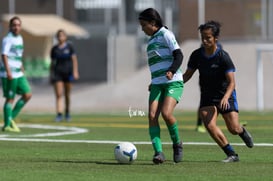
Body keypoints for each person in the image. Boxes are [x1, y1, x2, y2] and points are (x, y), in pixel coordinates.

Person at [183, 21, 254, 162]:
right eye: (202, 37)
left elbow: (232, 82)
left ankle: (241, 131)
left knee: (233, 129)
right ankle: (232, 154)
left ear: (215, 39)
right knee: (209, 125)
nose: (204, 40)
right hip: (208, 95)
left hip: (225, 94)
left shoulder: (223, 56)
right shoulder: (196, 55)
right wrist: (170, 84)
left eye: (208, 38)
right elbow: (187, 75)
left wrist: (226, 97)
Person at [138, 8, 184, 164]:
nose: (142, 28)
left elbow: (179, 55)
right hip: (157, 83)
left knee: (166, 113)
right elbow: (158, 64)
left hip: (173, 81)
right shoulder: (151, 41)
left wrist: (171, 71)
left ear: (153, 23)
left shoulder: (166, 34)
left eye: (143, 25)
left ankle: (177, 144)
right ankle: (158, 153)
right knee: (152, 116)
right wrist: (154, 80)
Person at [0, 16, 32, 132]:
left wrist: (21, 66)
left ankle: (10, 118)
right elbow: (4, 55)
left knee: (27, 94)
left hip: (18, 73)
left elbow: (18, 54)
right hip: (9, 73)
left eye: (18, 25)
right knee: (10, 99)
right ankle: (7, 125)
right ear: (10, 26)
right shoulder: (7, 39)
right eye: (14, 25)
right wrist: (8, 71)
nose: (16, 27)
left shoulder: (20, 38)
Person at [50, 29, 79, 122]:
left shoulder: (70, 47)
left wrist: (75, 72)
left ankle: (67, 113)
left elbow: (74, 60)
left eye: (62, 35)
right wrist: (51, 74)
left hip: (68, 73)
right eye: (59, 36)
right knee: (59, 94)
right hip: (58, 73)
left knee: (67, 94)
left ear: (65, 37)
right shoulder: (54, 49)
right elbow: (52, 63)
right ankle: (59, 114)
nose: (60, 37)